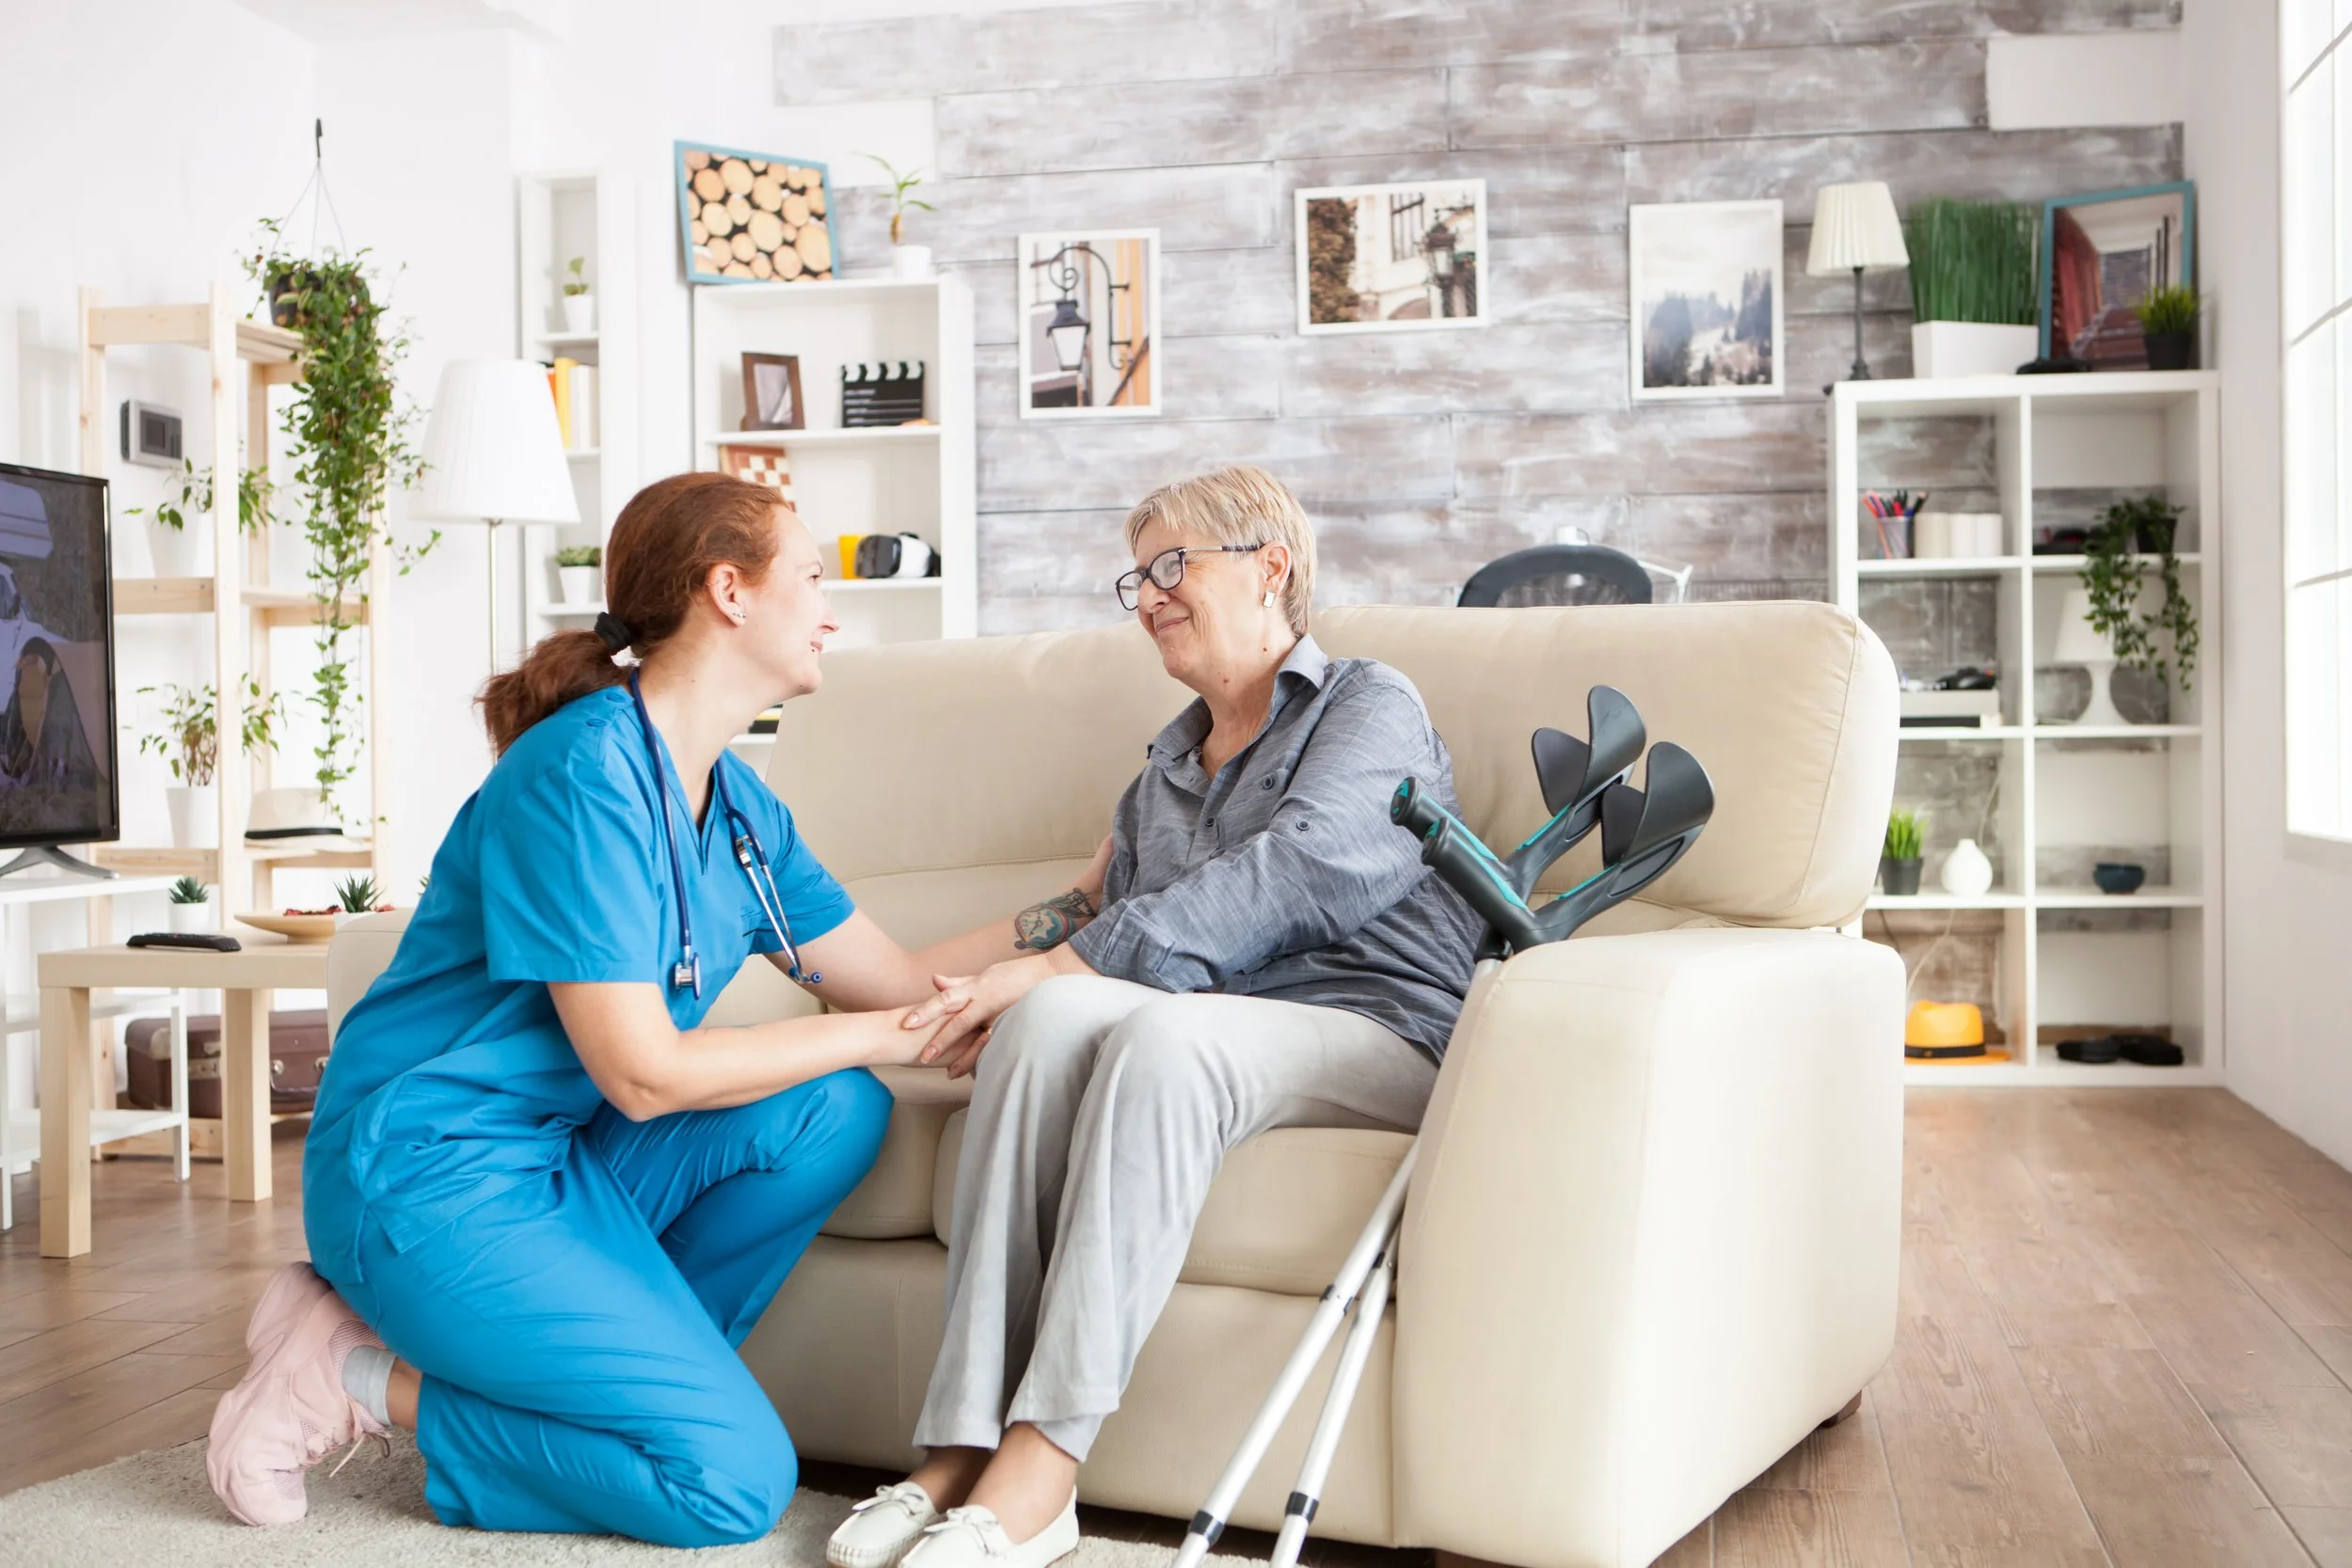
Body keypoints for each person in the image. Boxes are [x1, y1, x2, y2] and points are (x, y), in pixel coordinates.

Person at [204, 473, 1112, 1548]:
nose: (830, 609)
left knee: (833, 1109)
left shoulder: (736, 806)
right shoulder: (579, 775)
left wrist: (1081, 916)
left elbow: (903, 982)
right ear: (729, 590)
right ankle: (349, 1373)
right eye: (812, 578)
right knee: (727, 1486)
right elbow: (641, 1071)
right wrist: (881, 1033)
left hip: (560, 1160)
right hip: (426, 1172)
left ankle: (624, 1395)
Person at [826, 466, 1484, 1568]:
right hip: (1212, 1030)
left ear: (1271, 566)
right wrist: (890, 989)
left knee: (1142, 1025)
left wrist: (1066, 966)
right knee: (1042, 1026)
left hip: (1378, 1028)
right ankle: (955, 1445)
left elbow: (1308, 867)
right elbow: (1080, 922)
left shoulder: (1370, 702)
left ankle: (1043, 1467)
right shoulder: (1163, 775)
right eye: (1137, 577)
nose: (1147, 597)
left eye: (1173, 566)